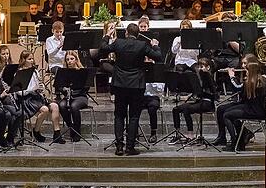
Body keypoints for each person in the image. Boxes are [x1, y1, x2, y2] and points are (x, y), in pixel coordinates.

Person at [99, 22, 163, 155]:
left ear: (126, 33)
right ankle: (130, 147)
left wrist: (107, 35)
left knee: (119, 115)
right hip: (136, 85)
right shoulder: (142, 45)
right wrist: (156, 46)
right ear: (138, 34)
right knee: (134, 116)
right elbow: (158, 57)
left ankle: (119, 147)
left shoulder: (118, 43)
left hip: (120, 84)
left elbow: (103, 49)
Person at [222, 62, 266, 151]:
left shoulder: (249, 82)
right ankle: (241, 141)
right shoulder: (265, 80)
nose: (246, 72)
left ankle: (235, 142)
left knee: (226, 115)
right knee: (231, 114)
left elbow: (237, 87)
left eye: (247, 70)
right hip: (261, 111)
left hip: (251, 111)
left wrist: (232, 76)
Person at [15, 51, 64, 144]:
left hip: (36, 97)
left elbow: (38, 86)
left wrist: (42, 88)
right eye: (29, 59)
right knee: (45, 110)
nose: (32, 61)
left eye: (32, 58)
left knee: (55, 106)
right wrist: (33, 89)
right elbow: (19, 92)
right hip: (27, 99)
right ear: (23, 60)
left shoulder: (35, 71)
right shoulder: (19, 72)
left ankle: (57, 134)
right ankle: (36, 131)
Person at [169, 58, 217, 144]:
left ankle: (190, 135)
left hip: (207, 102)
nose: (199, 68)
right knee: (176, 109)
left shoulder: (208, 77)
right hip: (199, 101)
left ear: (208, 67)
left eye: (201, 66)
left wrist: (204, 89)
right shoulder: (197, 77)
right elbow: (196, 92)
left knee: (187, 109)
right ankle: (177, 134)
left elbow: (214, 94)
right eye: (198, 66)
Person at [56, 51, 90, 142]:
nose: (69, 61)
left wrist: (75, 90)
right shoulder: (63, 72)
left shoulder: (82, 71)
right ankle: (71, 127)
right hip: (68, 96)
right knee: (62, 105)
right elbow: (59, 86)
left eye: (72, 59)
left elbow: (87, 87)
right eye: (67, 60)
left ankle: (77, 131)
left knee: (74, 106)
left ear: (76, 59)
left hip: (81, 96)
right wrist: (64, 89)